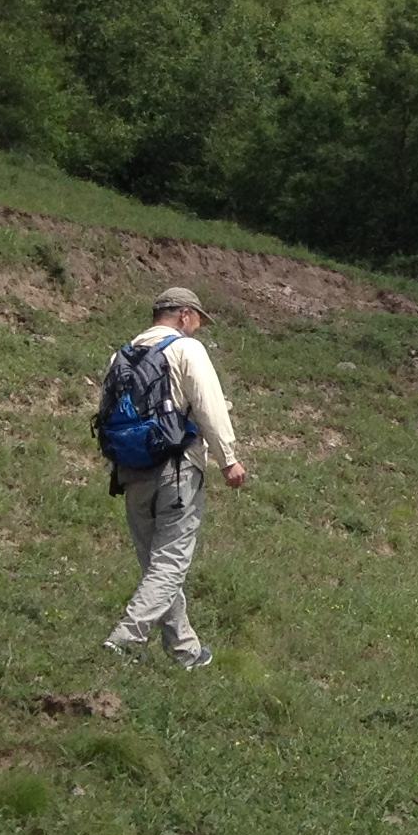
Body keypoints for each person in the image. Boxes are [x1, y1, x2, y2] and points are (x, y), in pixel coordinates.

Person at [98, 286, 247, 669]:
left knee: (157, 566)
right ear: (183, 315)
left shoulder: (121, 355)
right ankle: (124, 640)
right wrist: (227, 458)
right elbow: (208, 404)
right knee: (170, 564)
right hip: (177, 469)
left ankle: (186, 651)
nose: (197, 329)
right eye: (197, 320)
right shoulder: (185, 349)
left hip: (131, 470)